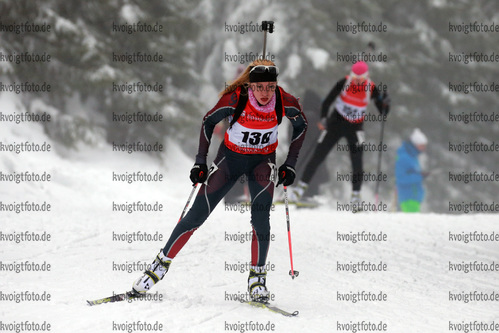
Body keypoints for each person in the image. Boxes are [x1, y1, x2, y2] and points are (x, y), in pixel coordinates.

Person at [130, 59, 307, 302]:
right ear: (250, 86)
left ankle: (257, 280)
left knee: (261, 219)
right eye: (260, 87)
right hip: (230, 161)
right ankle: (157, 269)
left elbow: (302, 126)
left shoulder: (285, 101)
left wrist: (290, 164)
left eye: (270, 86)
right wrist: (200, 161)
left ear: (276, 85)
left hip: (262, 163)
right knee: (195, 216)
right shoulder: (236, 99)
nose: (265, 92)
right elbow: (208, 121)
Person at [288, 61, 390, 210]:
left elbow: (383, 112)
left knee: (357, 161)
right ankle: (300, 189)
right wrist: (323, 118)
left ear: (366, 77)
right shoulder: (344, 82)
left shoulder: (371, 88)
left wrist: (386, 103)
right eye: (354, 76)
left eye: (359, 78)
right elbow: (327, 101)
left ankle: (356, 196)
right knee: (318, 155)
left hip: (355, 127)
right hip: (336, 123)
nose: (356, 80)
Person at [395, 128, 428, 212]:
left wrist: (421, 175)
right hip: (408, 197)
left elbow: (412, 173)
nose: (423, 148)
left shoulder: (413, 157)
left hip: (414, 197)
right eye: (421, 145)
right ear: (415, 144)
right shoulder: (404, 158)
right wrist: (420, 176)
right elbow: (401, 178)